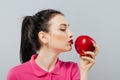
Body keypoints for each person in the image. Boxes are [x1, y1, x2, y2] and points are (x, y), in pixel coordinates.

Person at [7, 9, 98, 80]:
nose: (71, 34)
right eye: (62, 29)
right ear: (43, 37)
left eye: (68, 28)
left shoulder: (72, 69)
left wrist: (84, 71)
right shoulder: (16, 74)